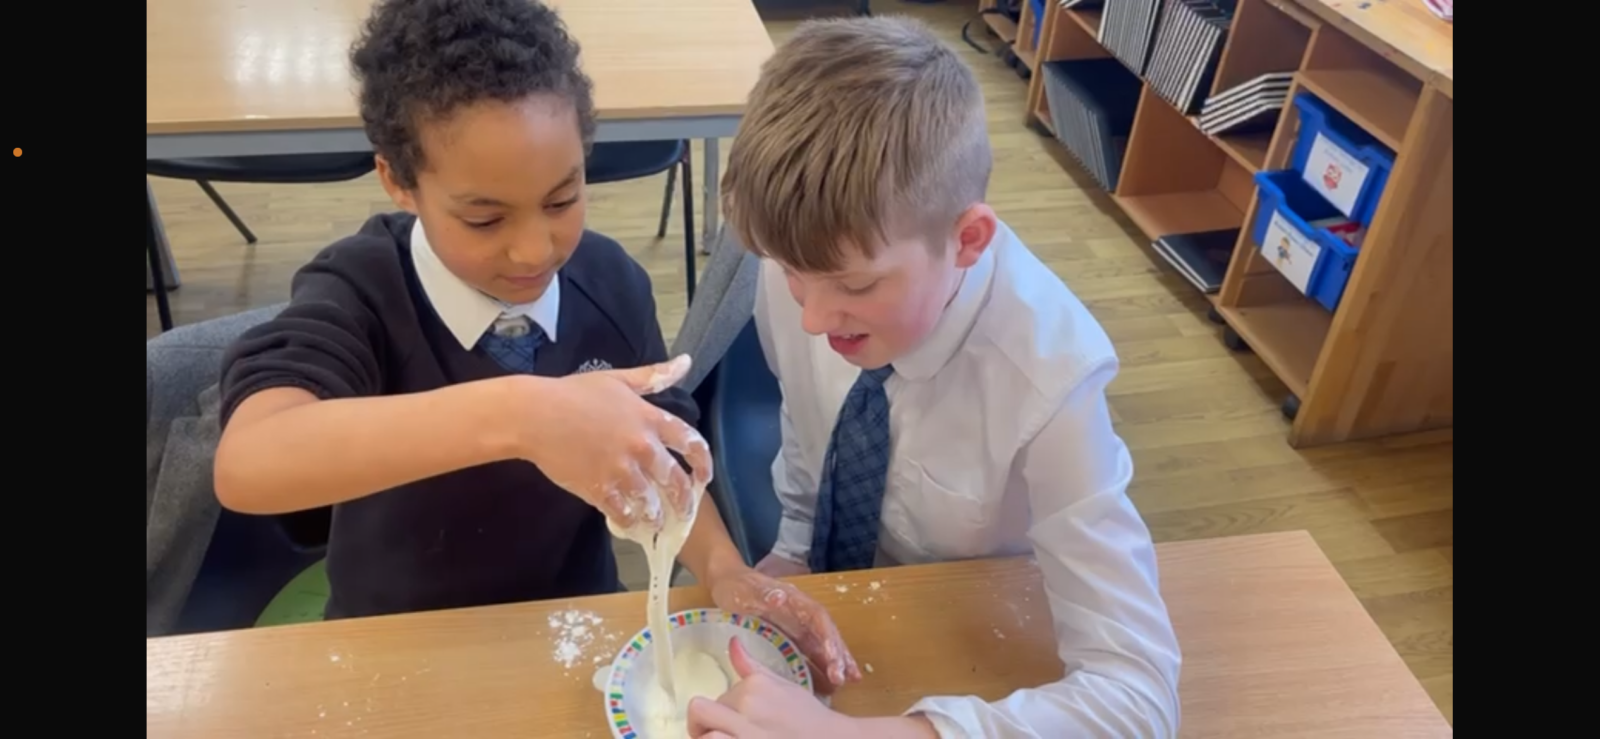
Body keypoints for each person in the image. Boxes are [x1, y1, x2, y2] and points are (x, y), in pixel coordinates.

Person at [211, 0, 857, 691]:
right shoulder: (362, 289)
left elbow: (664, 460)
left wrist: (724, 568)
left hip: (576, 629)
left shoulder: (610, 284)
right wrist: (523, 415)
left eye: (561, 200)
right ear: (399, 181)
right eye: (484, 219)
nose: (534, 250)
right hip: (395, 644)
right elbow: (249, 462)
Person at [685, 15, 1182, 739]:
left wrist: (852, 736)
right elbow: (809, 425)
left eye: (856, 286)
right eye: (792, 275)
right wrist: (793, 549)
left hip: (967, 635)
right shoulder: (805, 263)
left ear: (968, 239)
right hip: (865, 608)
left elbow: (1140, 698)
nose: (813, 318)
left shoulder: (1052, 380)